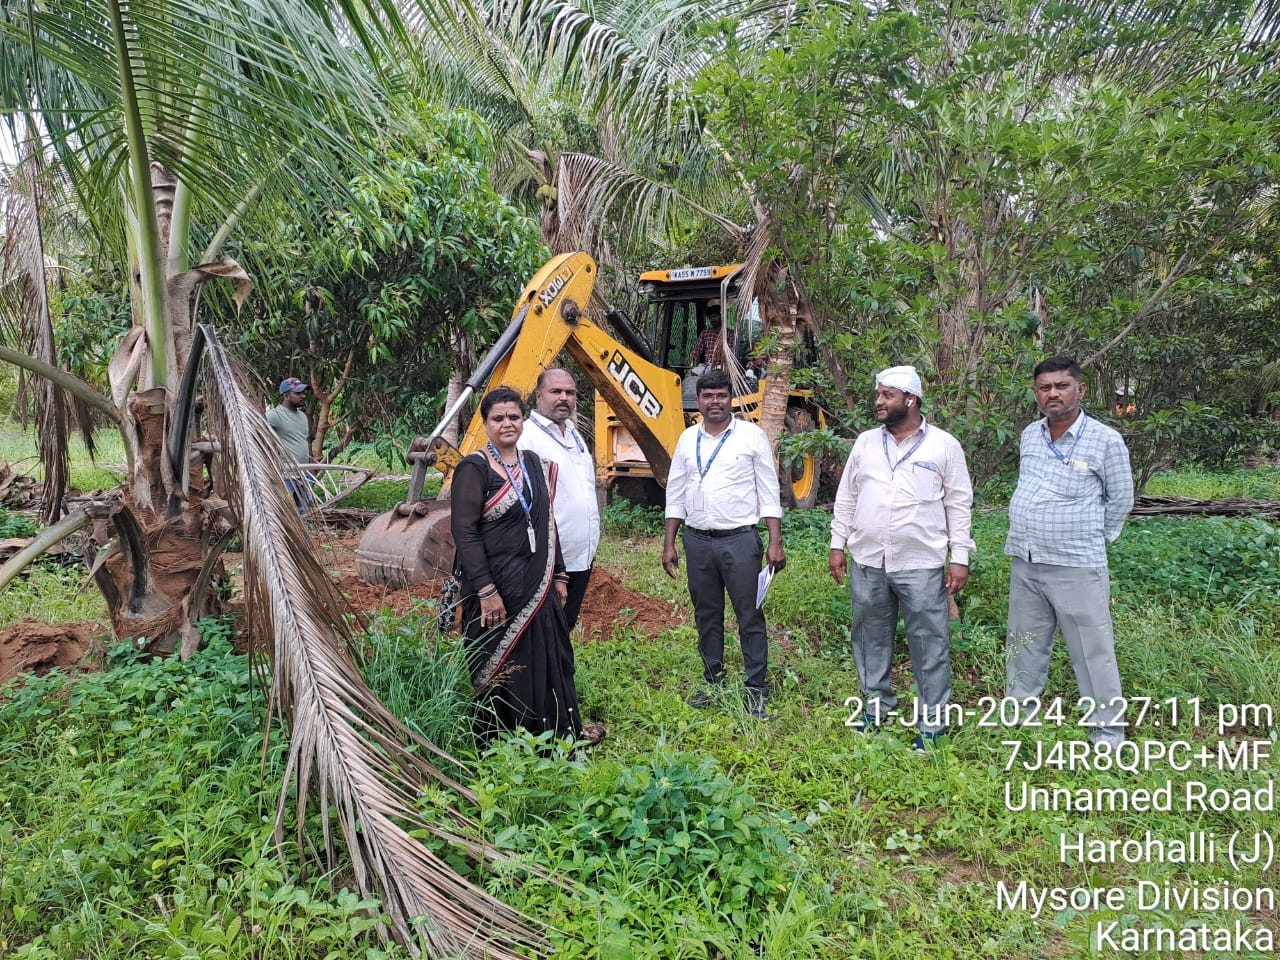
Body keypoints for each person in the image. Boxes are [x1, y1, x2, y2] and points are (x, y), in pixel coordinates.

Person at [828, 365, 974, 751]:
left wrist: (959, 556)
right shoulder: (865, 443)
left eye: (886, 395)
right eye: (878, 394)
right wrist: (837, 544)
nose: (878, 402)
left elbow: (959, 504)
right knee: (869, 639)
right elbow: (848, 496)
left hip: (920, 563)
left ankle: (932, 724)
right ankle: (876, 707)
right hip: (868, 561)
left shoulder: (944, 446)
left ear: (910, 399)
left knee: (930, 643)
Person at [450, 386, 603, 744]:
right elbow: (465, 533)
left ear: (523, 419)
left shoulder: (533, 463)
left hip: (538, 581)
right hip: (495, 586)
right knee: (503, 663)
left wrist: (560, 574)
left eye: (513, 417)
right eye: (498, 418)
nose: (507, 424)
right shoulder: (473, 468)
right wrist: (487, 590)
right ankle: (501, 740)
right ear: (486, 424)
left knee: (552, 656)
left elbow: (547, 522)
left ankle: (557, 735)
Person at [1005, 356, 1134, 748]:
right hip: (1026, 560)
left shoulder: (1105, 439)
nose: (1053, 394)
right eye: (1045, 388)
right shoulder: (1030, 434)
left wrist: (1092, 537)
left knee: (1092, 650)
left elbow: (1122, 500)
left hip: (1076, 564)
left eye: (1061, 386)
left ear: (1080, 390)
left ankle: (1107, 734)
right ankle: (1018, 718)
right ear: (1036, 394)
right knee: (1023, 645)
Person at [661, 369, 785, 719]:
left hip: (740, 541)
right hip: (697, 541)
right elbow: (675, 492)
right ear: (697, 401)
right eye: (707, 396)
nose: (714, 401)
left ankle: (756, 688)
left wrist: (774, 541)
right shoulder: (687, 439)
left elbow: (768, 490)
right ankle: (712, 680)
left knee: (749, 615)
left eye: (721, 395)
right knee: (707, 615)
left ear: (730, 398)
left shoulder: (752, 436)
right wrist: (670, 543)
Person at [518, 368, 600, 632]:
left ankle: (559, 674)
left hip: (581, 555)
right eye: (556, 392)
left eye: (570, 392)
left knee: (564, 627)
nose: (563, 397)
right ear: (539, 395)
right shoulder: (527, 438)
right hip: (549, 558)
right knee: (544, 632)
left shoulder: (573, 434)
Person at [267, 377, 312, 511]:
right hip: (286, 475)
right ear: (286, 395)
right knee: (286, 511)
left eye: (303, 392)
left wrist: (311, 469)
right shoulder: (274, 415)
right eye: (298, 393)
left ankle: (302, 533)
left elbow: (305, 441)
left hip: (304, 473)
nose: (303, 396)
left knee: (303, 511)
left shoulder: (303, 416)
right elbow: (256, 432)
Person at [688, 300, 735, 369]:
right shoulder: (705, 333)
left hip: (723, 367)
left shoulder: (730, 333)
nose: (712, 320)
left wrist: (720, 357)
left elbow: (731, 352)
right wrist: (694, 355)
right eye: (710, 318)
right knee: (690, 376)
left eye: (714, 316)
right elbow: (698, 349)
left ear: (722, 317)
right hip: (706, 366)